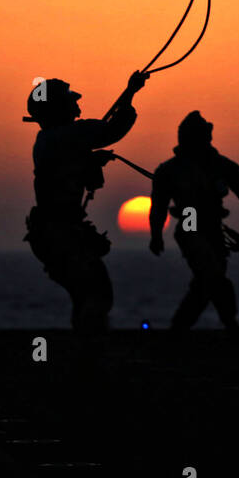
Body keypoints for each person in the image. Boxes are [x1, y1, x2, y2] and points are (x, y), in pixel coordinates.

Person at [23, 70, 148, 334]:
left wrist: (88, 161)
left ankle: (85, 354)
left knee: (86, 295)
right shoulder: (67, 135)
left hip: (51, 234)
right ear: (59, 107)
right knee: (97, 295)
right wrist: (131, 91)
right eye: (71, 100)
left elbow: (66, 165)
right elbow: (113, 129)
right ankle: (89, 355)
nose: (78, 105)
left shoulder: (49, 139)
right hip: (60, 235)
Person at [149, 110, 239, 333]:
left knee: (205, 284)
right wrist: (156, 236)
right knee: (213, 277)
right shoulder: (169, 171)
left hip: (214, 229)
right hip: (190, 227)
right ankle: (230, 324)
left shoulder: (221, 165)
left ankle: (179, 329)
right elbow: (159, 206)